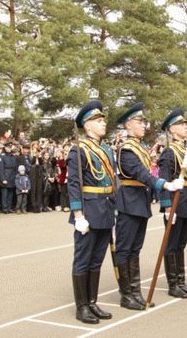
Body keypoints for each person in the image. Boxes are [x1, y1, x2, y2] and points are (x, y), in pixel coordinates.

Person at [114, 103, 183, 310]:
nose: (144, 125)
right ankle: (126, 294)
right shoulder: (126, 150)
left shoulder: (141, 148)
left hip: (140, 202)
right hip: (129, 202)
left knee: (135, 249)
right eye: (139, 122)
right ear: (128, 125)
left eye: (143, 121)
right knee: (125, 249)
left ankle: (135, 292)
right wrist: (164, 184)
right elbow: (141, 174)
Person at [66, 100, 116, 324]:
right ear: (86, 126)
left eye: (103, 119)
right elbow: (73, 184)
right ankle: (82, 306)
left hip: (105, 208)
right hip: (88, 210)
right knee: (83, 259)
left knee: (96, 260)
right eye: (98, 120)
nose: (103, 123)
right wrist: (78, 216)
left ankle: (92, 302)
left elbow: (112, 181)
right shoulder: (79, 149)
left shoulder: (106, 149)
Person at [158, 108, 187, 299]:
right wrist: (167, 207)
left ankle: (181, 280)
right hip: (177, 202)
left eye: (185, 124)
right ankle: (173, 284)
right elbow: (164, 180)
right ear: (172, 130)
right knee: (172, 244)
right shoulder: (169, 152)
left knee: (181, 243)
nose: (186, 127)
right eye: (181, 125)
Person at [0, 141, 17, 213]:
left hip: (12, 175)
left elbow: (15, 167)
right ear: (5, 148)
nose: (9, 149)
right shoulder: (2, 156)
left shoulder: (13, 155)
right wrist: (3, 179)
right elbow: (1, 168)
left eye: (10, 147)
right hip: (5, 175)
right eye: (7, 147)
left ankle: (9, 207)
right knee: (4, 194)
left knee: (10, 194)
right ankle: (4, 208)